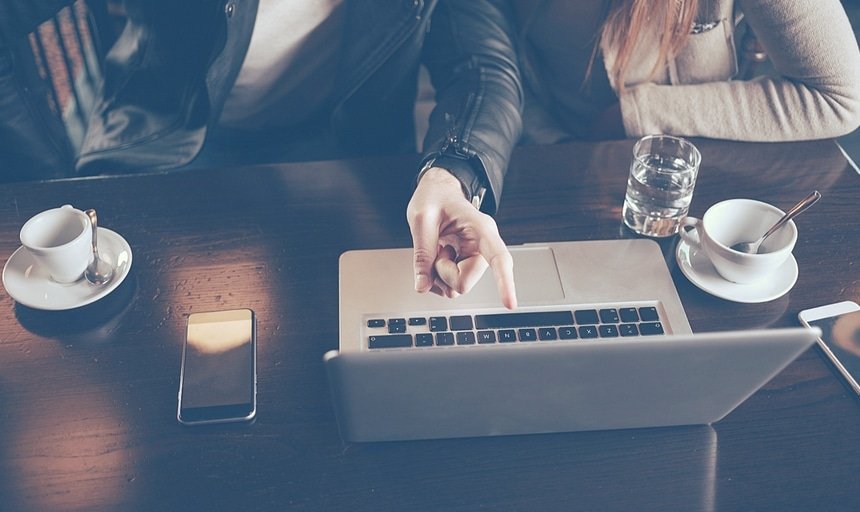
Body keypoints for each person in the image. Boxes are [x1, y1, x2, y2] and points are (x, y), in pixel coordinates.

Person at [72, 0, 522, 309]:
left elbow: (481, 65)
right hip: (172, 145)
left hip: (347, 150)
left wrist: (451, 173)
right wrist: (34, 176)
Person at [511, 0, 860, 145]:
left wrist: (639, 114)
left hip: (699, 175)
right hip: (537, 149)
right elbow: (482, 51)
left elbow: (841, 98)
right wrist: (552, 143)